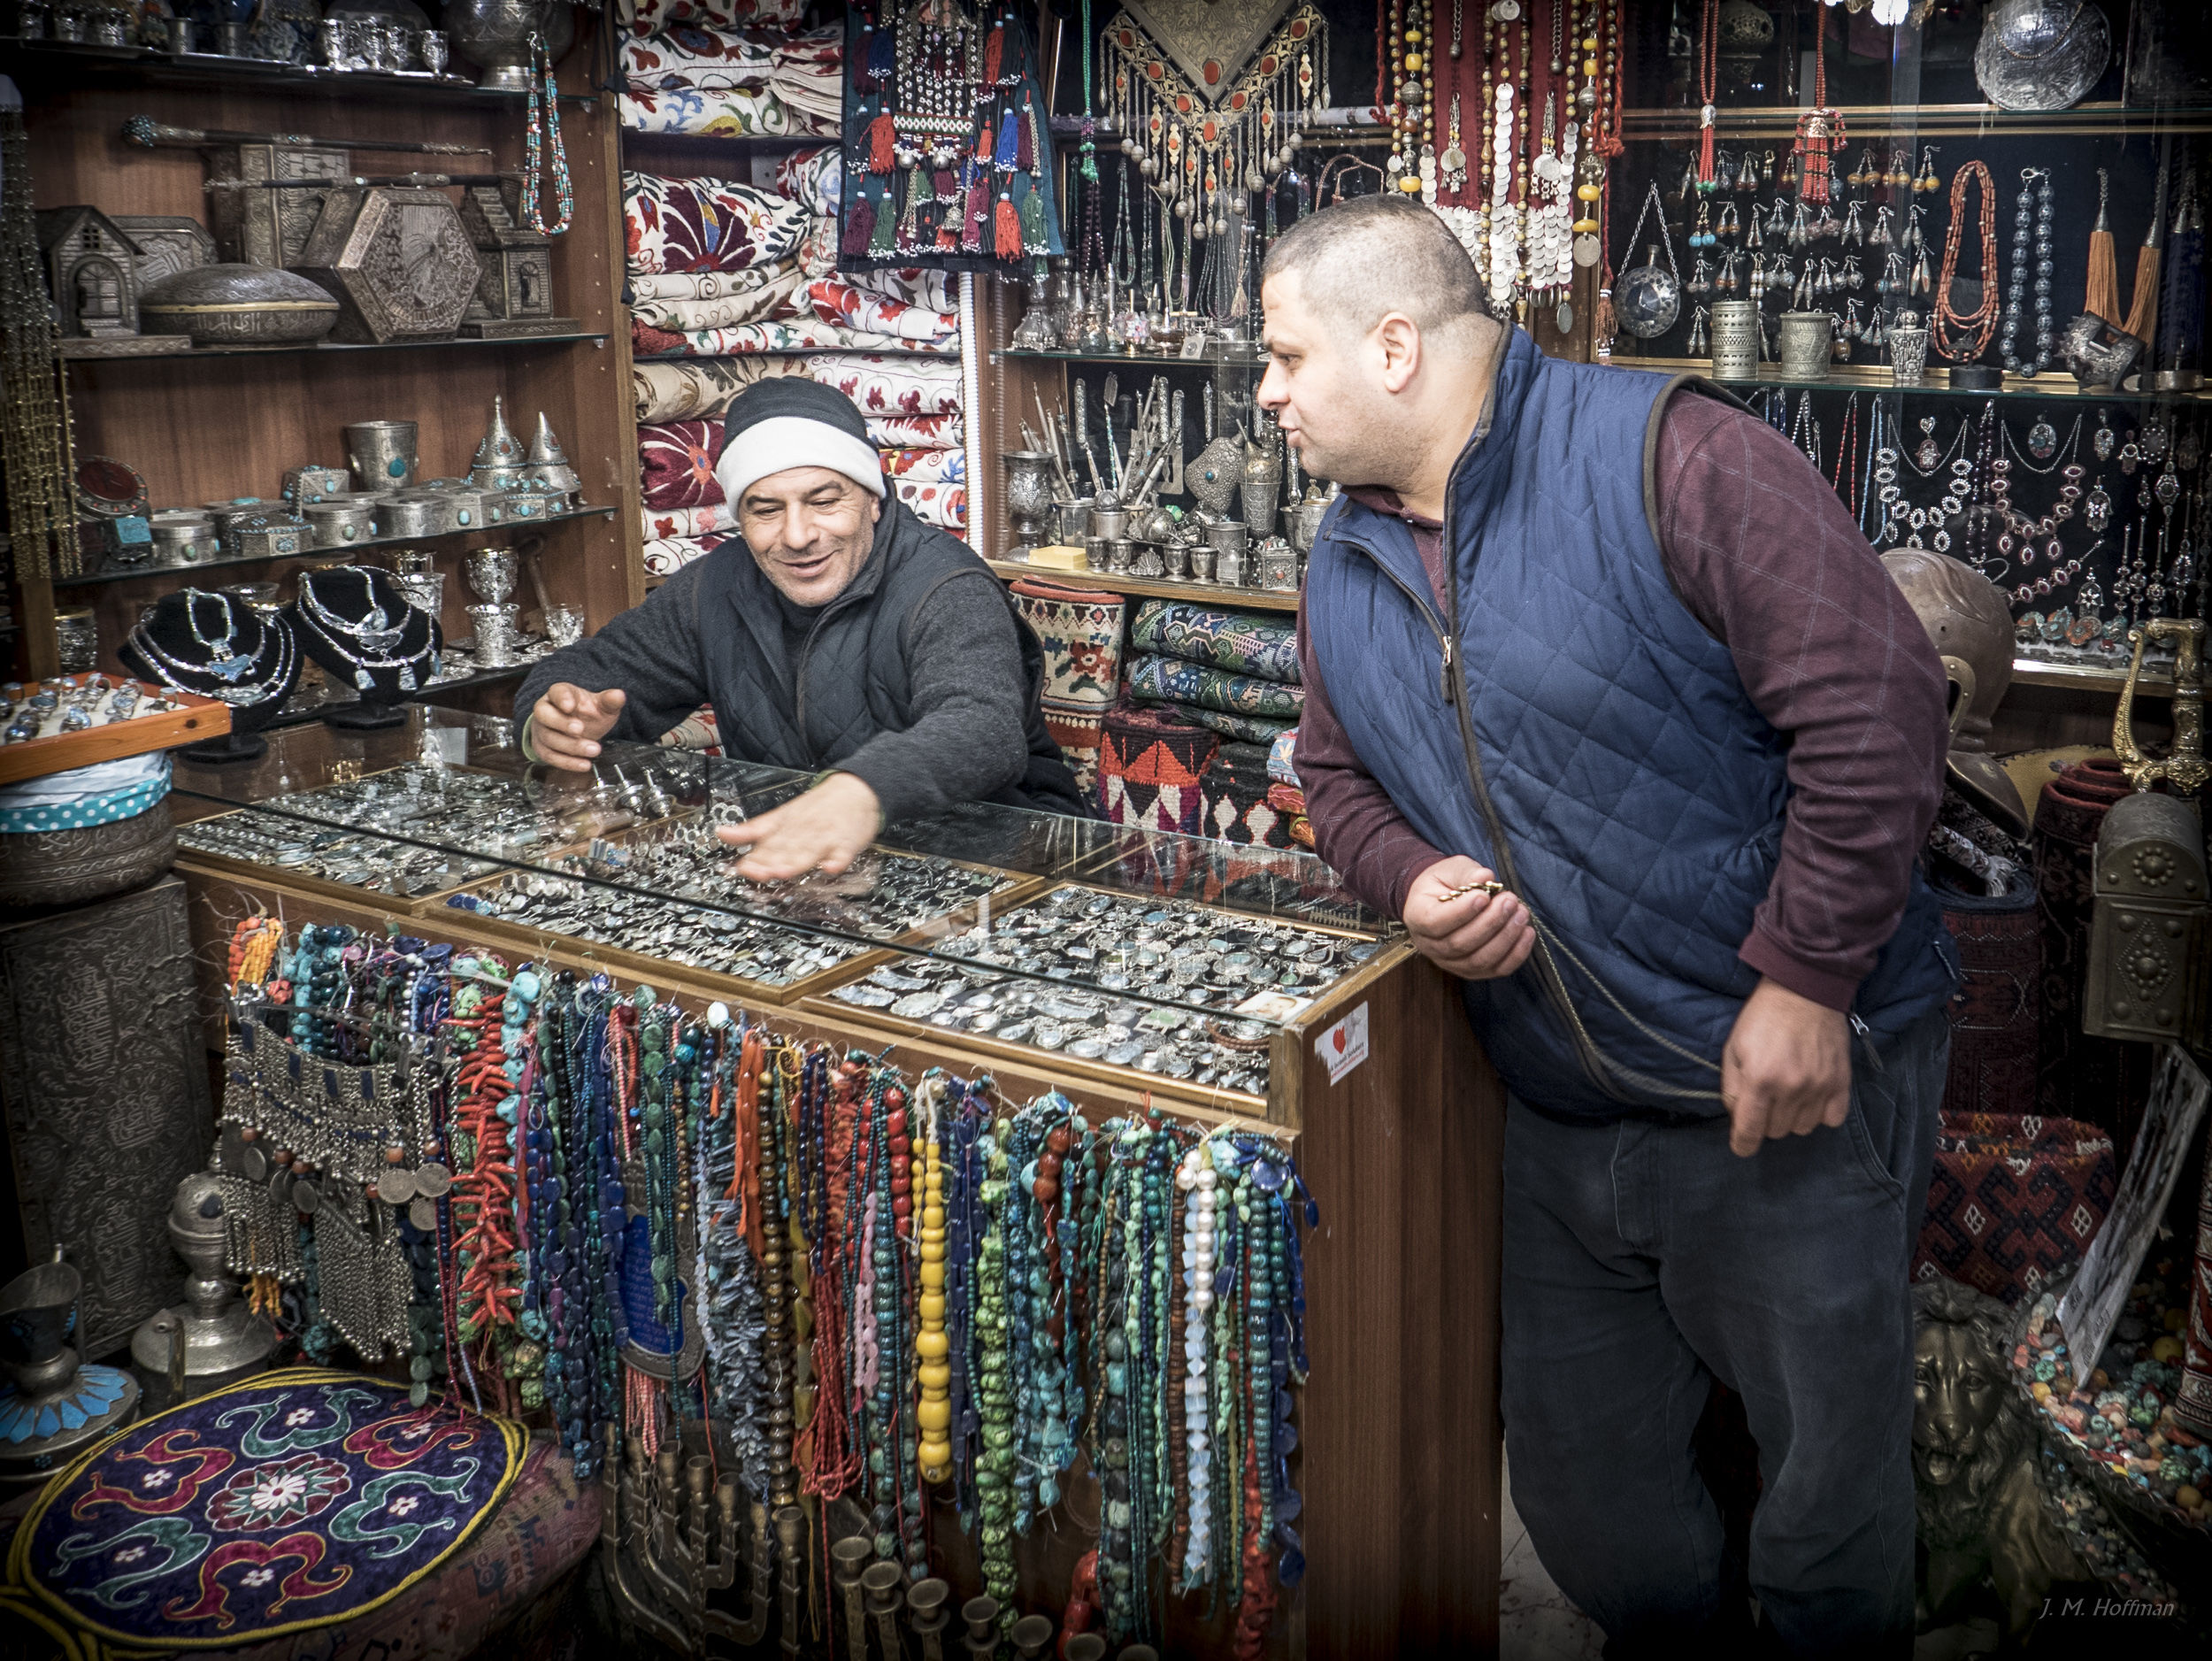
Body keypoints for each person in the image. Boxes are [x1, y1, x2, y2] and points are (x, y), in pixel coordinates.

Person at [1259, 196, 1956, 1656]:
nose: (1266, 395)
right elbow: (1329, 772)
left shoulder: (1675, 456)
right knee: (1589, 1498)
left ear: (1392, 348)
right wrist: (1404, 877)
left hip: (1775, 1086)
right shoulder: (1344, 556)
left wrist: (1806, 981)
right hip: (1563, 1107)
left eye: (1282, 357)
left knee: (1826, 1498)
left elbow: (1876, 706)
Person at [516, 377, 1087, 880]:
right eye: (766, 509)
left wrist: (862, 791)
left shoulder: (945, 586)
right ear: (740, 517)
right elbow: (579, 673)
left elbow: (983, 729)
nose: (797, 535)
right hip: (819, 873)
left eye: (823, 500)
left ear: (873, 500)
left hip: (1004, 870)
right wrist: (553, 720)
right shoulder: (715, 589)